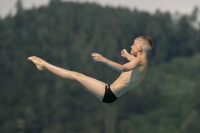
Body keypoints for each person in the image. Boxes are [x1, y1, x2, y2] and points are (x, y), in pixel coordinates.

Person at [28, 36, 153, 103]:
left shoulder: (140, 61)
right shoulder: (142, 61)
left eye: (133, 44)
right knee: (75, 79)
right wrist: (127, 55)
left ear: (140, 48)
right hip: (109, 91)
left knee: (76, 76)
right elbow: (133, 61)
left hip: (108, 94)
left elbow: (122, 68)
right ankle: (44, 65)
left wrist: (104, 59)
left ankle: (43, 64)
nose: (131, 46)